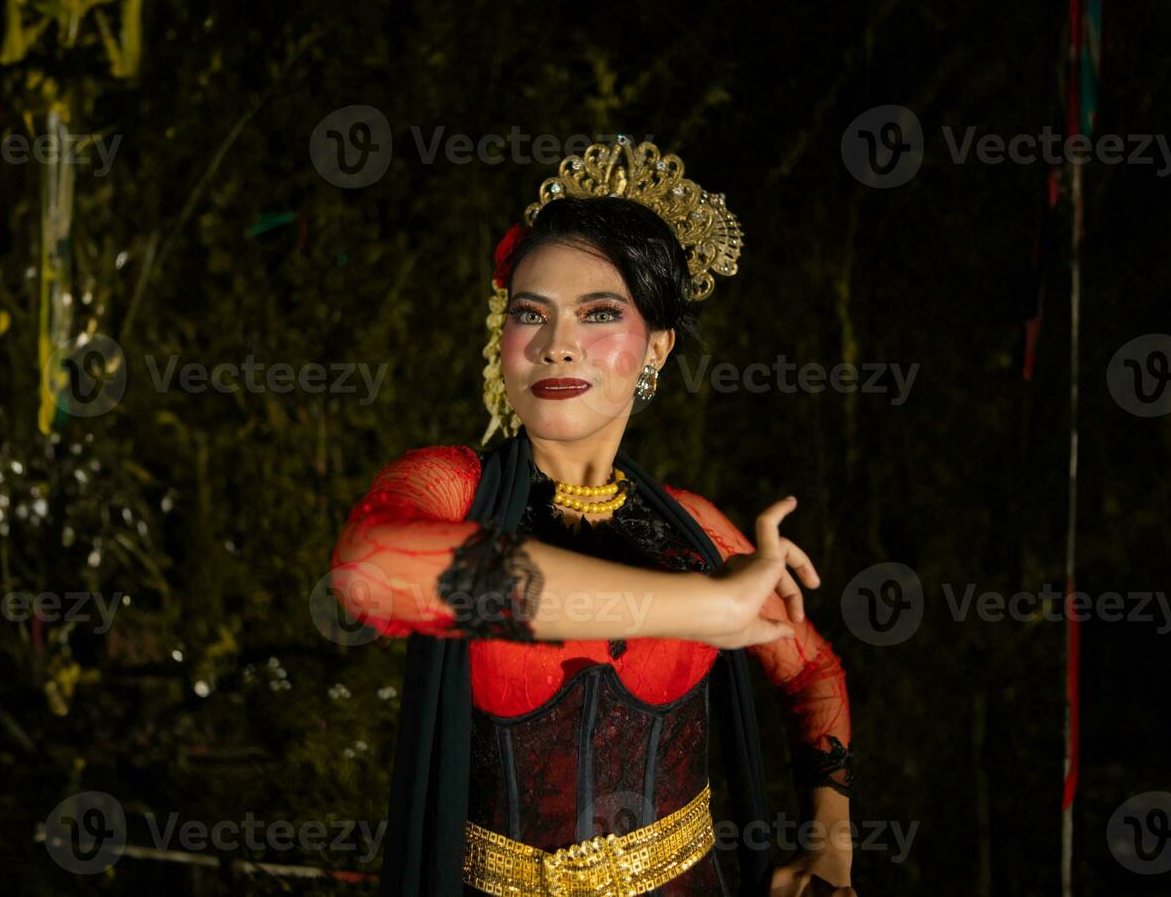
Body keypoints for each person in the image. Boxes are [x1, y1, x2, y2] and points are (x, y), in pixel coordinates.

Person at [330, 139, 857, 896]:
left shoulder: (695, 530)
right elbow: (371, 573)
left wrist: (831, 843)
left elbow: (811, 669)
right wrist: (704, 607)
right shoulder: (453, 487)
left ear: (657, 349)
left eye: (599, 313)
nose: (556, 346)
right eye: (529, 314)